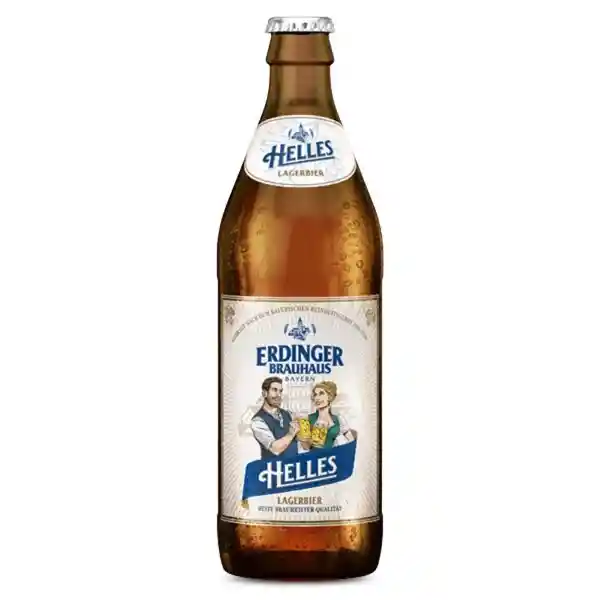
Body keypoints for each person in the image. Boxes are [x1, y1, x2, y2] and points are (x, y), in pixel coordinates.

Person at [250, 377, 299, 459]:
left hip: (294, 465)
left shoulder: (288, 414)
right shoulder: (257, 421)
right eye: (274, 390)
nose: (279, 395)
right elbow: (275, 449)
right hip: (273, 466)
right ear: (264, 393)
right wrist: (291, 434)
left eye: (280, 391)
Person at [307, 381, 354, 449]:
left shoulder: (339, 419)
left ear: (330, 396)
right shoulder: (308, 419)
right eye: (315, 394)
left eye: (321, 393)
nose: (317, 398)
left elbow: (351, 442)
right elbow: (304, 447)